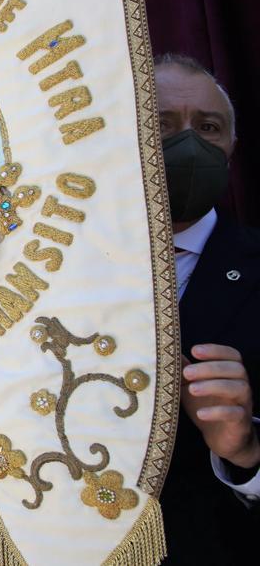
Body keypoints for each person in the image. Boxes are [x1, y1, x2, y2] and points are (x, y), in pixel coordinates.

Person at [152, 54, 258, 564]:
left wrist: (245, 454)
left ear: (232, 147)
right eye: (160, 123)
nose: (187, 143)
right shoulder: (54, 268)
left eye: (208, 127)